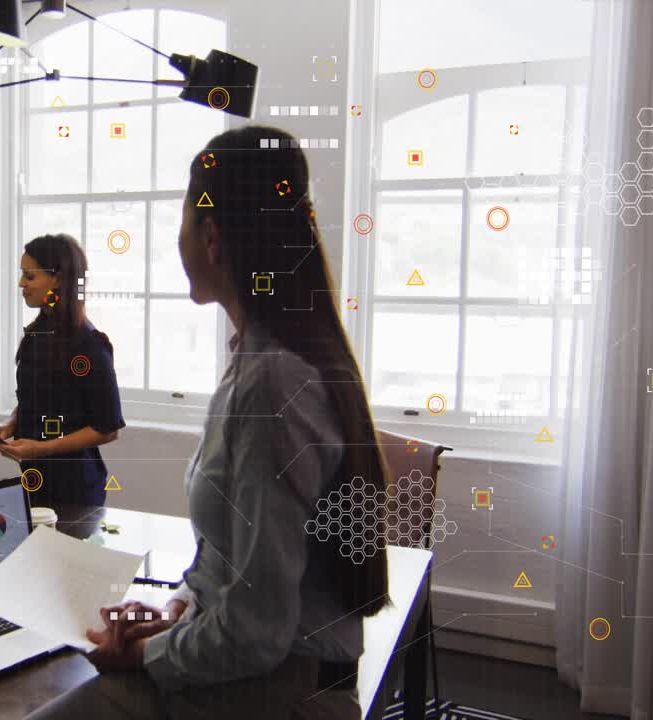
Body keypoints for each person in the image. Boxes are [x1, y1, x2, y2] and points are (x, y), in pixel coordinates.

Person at [27, 126, 391, 719]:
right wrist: (179, 609)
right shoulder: (268, 357)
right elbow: (231, 567)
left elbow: (255, 632)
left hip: (281, 690)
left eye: (183, 224)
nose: (179, 241)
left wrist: (150, 656)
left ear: (213, 238)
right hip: (272, 665)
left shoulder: (271, 385)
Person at [0, 234, 124, 507]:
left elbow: (108, 428)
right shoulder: (37, 335)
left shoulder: (89, 345)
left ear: (57, 279)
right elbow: (37, 400)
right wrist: (9, 427)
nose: (21, 283)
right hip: (34, 485)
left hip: (75, 493)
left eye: (30, 277)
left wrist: (40, 449)